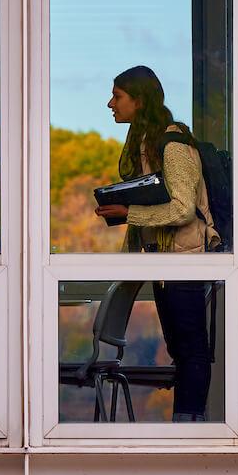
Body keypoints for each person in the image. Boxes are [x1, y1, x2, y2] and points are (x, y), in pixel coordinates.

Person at [93, 65, 217, 422]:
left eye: (117, 96)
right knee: (181, 347)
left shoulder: (172, 143)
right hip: (167, 263)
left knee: (191, 348)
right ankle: (187, 426)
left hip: (184, 260)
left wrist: (129, 212)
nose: (110, 103)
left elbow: (182, 209)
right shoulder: (150, 141)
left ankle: (189, 428)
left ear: (139, 99)